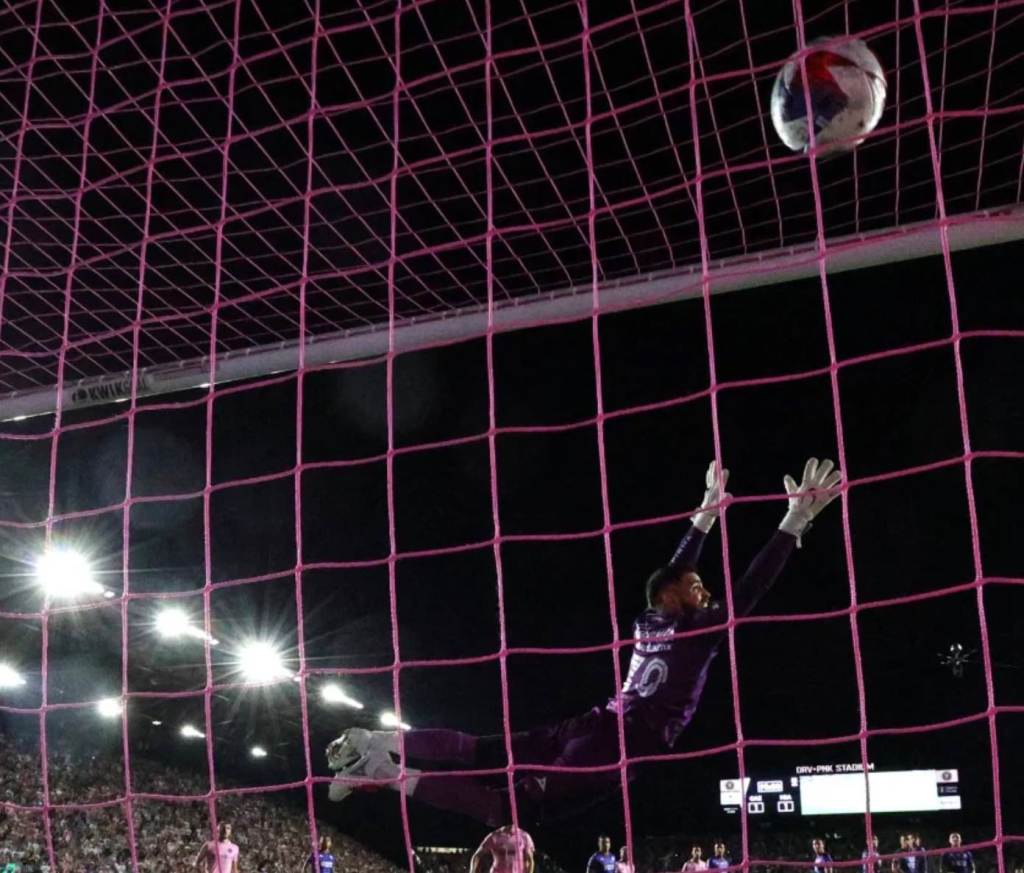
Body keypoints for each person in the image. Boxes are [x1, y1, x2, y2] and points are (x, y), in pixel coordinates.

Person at [326, 459, 843, 825]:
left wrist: (705, 517)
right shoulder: (693, 633)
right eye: (697, 587)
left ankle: (379, 742)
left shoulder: (649, 621)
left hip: (594, 723)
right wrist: (792, 521)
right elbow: (749, 589)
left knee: (482, 749)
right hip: (615, 744)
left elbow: (677, 571)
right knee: (506, 809)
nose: (705, 591)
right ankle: (382, 770)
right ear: (670, 596)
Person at [469, 825, 536, 873]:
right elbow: (477, 855)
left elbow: (530, 860)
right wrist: (472, 870)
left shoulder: (524, 836)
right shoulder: (494, 836)